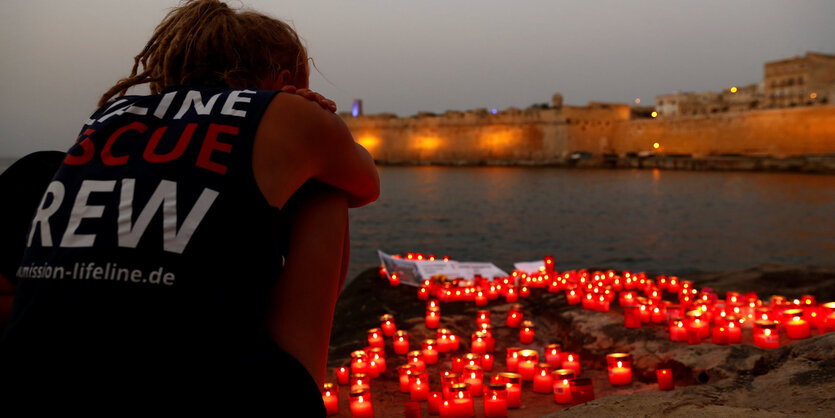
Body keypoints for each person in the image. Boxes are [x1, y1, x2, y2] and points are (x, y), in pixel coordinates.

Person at [0, 0, 378, 413]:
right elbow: (365, 184)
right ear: (286, 79)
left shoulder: (109, 117)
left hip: (34, 383)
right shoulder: (290, 110)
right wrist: (309, 120)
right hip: (205, 392)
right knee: (327, 188)